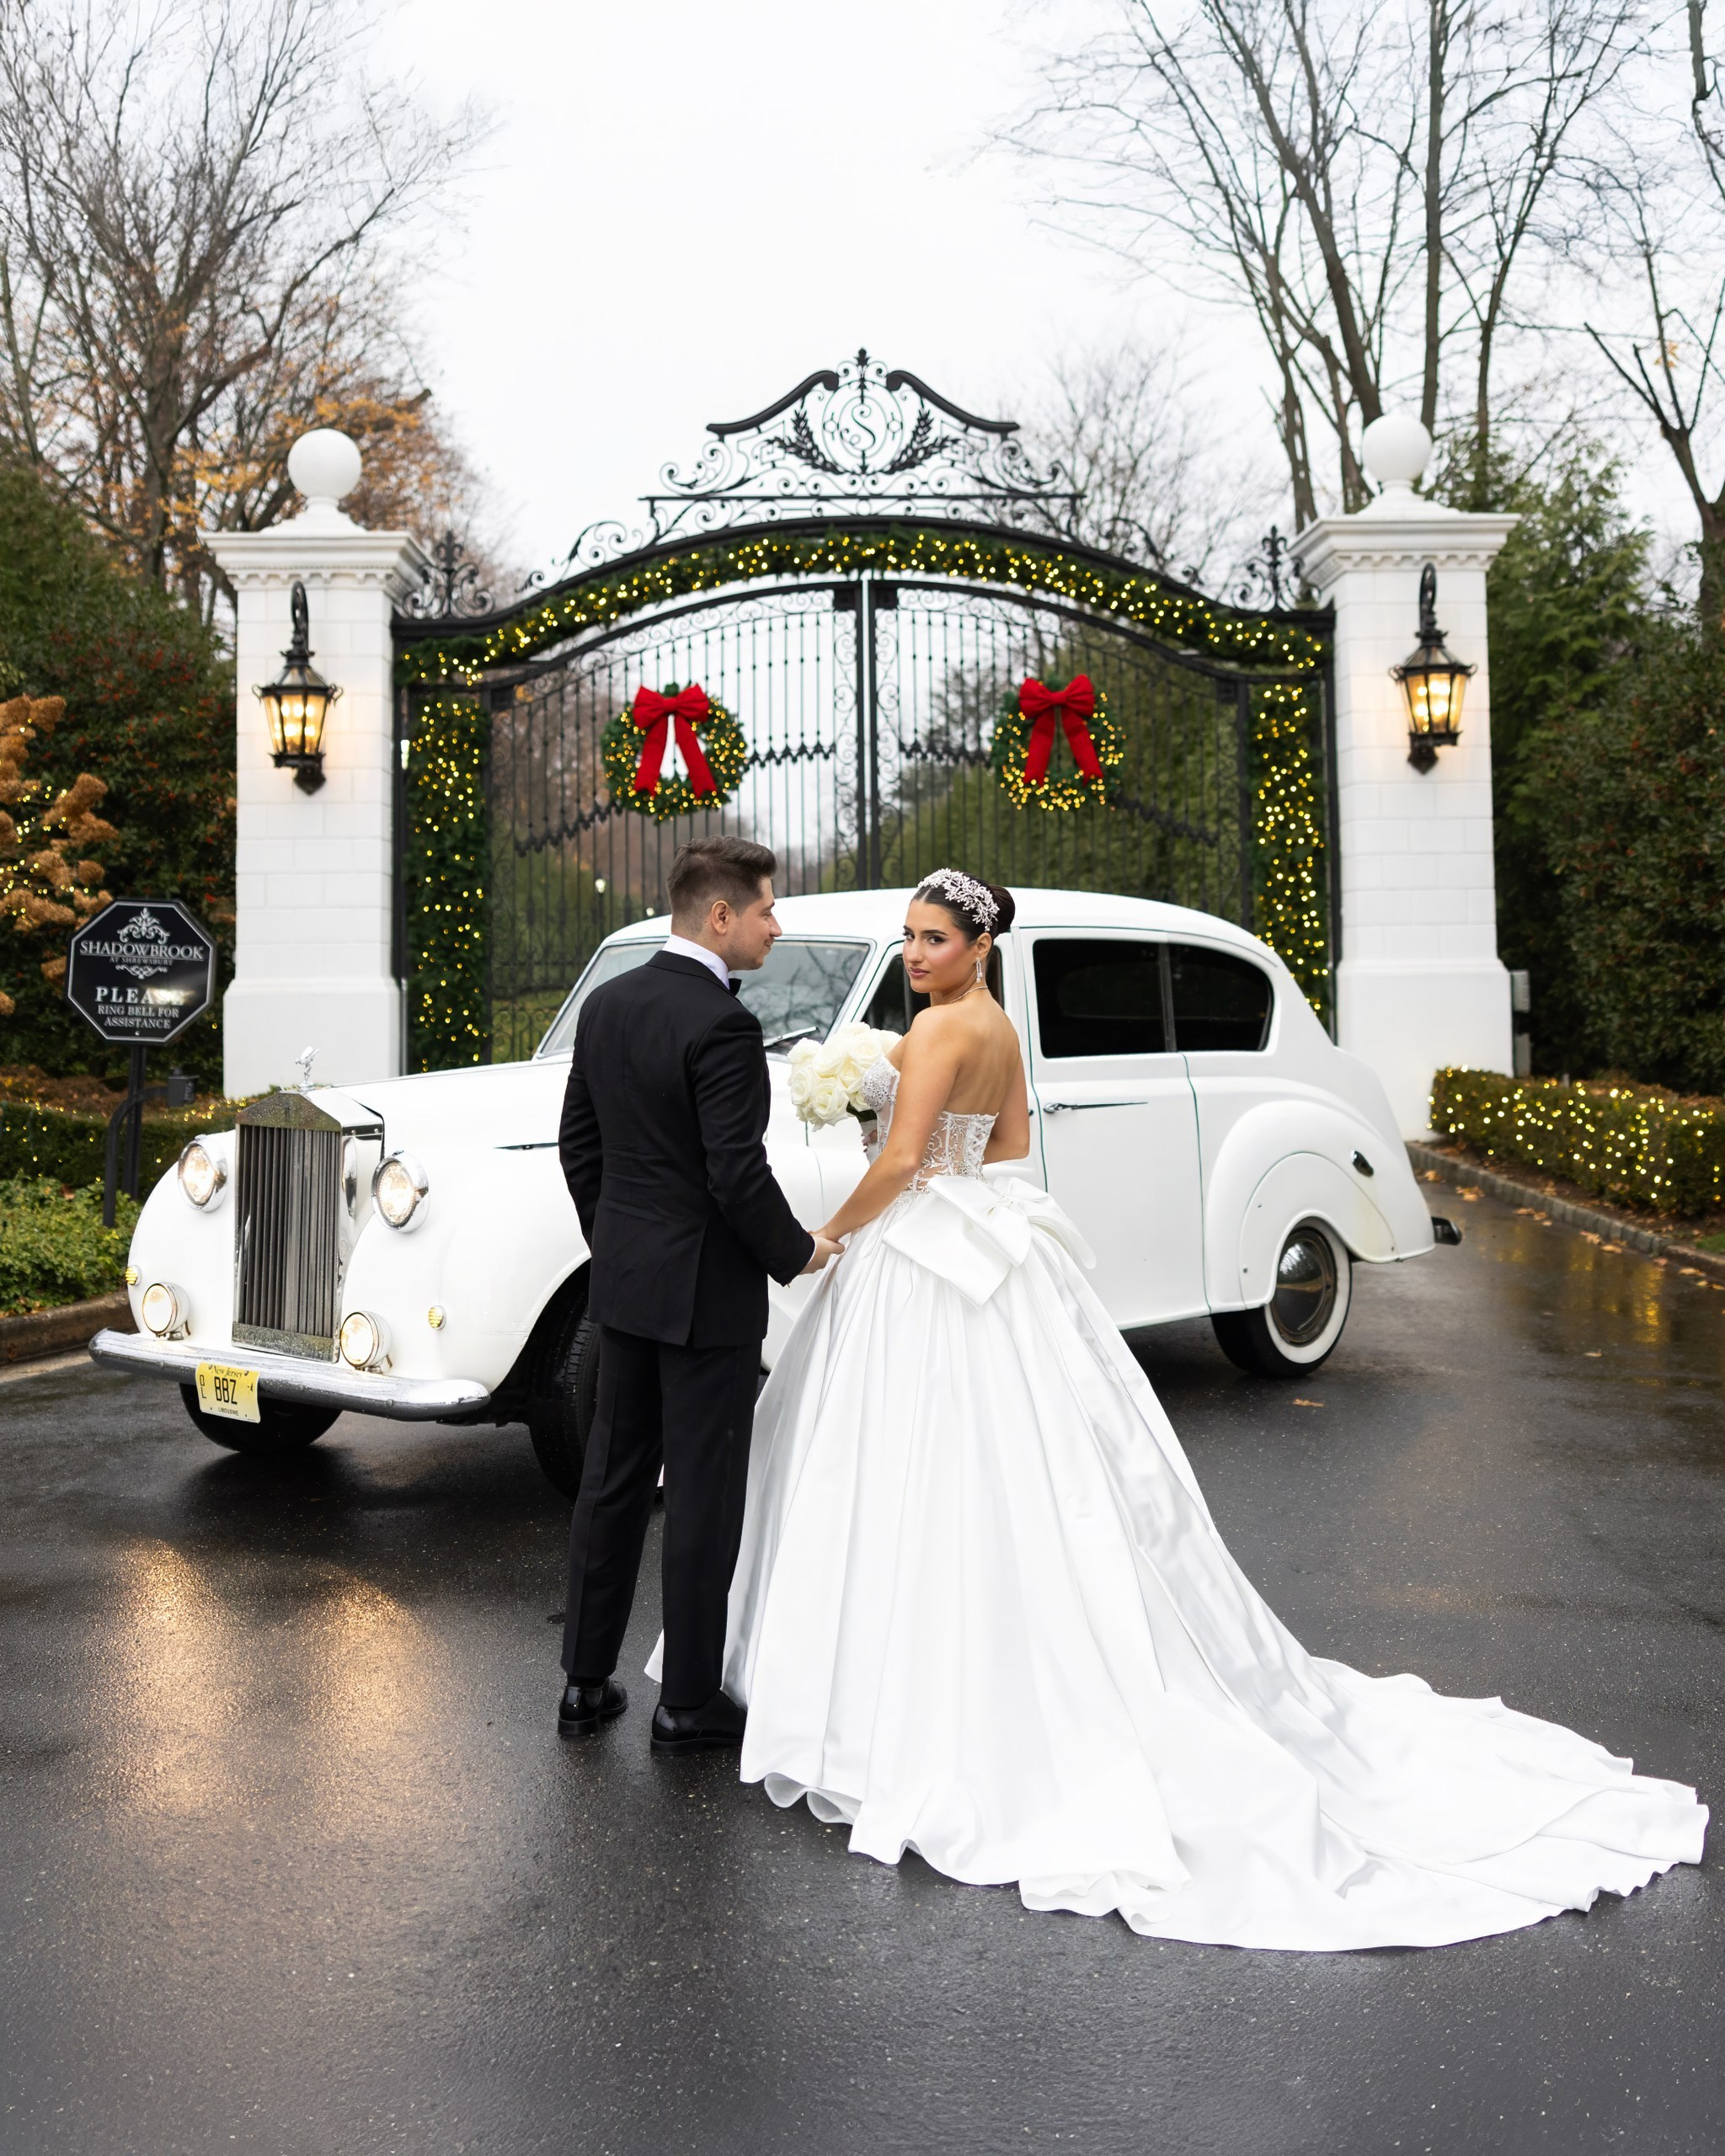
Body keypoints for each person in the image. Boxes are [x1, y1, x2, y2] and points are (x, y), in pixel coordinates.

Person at [716, 867, 1707, 1949]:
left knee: (913, 1466)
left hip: (922, 1256)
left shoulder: (945, 1032)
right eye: (907, 936)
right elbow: (1005, 1151)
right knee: (1026, 1469)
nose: (914, 955)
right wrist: (902, 1133)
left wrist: (830, 1237)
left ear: (979, 944)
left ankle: (898, 1689)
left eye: (934, 939)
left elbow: (910, 1158)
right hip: (984, 1243)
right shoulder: (997, 1025)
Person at [556, 835, 839, 1754]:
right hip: (707, 1297)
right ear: (719, 916)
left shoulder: (606, 1004)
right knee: (704, 1493)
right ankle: (685, 1703)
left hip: (626, 1285)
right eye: (764, 909)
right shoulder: (720, 1024)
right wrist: (794, 1252)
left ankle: (584, 1684)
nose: (774, 924)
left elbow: (579, 1147)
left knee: (610, 1481)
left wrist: (620, 1245)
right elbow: (733, 1171)